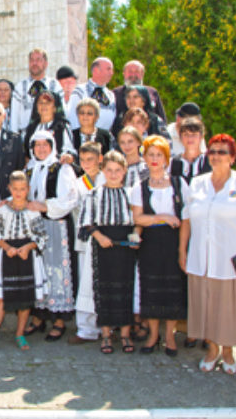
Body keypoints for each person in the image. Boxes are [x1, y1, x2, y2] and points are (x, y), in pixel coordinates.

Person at [179, 133, 236, 374]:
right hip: (202, 257)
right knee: (206, 306)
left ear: (233, 157)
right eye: (213, 152)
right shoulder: (197, 183)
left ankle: (227, 351)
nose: (216, 156)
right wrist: (182, 250)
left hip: (233, 258)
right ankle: (212, 348)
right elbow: (186, 219)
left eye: (222, 152)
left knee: (229, 308)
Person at [0, 171, 47, 352]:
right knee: (1, 299)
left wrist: (28, 248)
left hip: (27, 256)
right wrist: (6, 248)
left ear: (28, 189)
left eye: (22, 189)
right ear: (9, 189)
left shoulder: (33, 212)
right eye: (15, 189)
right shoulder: (2, 210)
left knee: (25, 298)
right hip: (7, 254)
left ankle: (20, 334)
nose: (19, 192)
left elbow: (42, 236)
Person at [130, 136, 189, 356]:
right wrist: (162, 217)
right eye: (150, 155)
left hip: (173, 242)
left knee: (172, 290)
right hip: (151, 244)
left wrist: (183, 250)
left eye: (159, 155)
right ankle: (153, 335)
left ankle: (170, 336)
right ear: (144, 158)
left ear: (166, 158)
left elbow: (186, 219)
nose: (154, 159)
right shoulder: (140, 186)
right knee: (151, 290)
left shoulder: (179, 183)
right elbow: (138, 219)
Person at [78, 151, 136, 354]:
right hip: (103, 244)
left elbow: (138, 221)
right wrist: (99, 236)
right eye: (109, 170)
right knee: (104, 289)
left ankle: (126, 334)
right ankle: (105, 334)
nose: (113, 174)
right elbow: (86, 221)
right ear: (103, 171)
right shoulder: (93, 194)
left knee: (126, 289)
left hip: (126, 247)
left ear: (124, 171)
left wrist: (135, 239)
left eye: (118, 170)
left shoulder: (132, 194)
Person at [23, 131, 79, 342]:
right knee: (39, 271)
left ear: (52, 146)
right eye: (36, 145)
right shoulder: (29, 169)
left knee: (57, 272)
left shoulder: (62, 169)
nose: (41, 149)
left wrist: (45, 206)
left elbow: (70, 198)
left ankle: (59, 319)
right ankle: (39, 316)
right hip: (36, 227)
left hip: (57, 226)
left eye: (45, 145)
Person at [69, 142, 105, 346]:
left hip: (105, 237)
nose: (86, 163)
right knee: (86, 282)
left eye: (90, 159)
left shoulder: (108, 178)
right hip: (84, 238)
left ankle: (106, 325)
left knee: (103, 281)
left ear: (100, 159)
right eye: (82, 160)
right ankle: (86, 328)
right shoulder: (78, 182)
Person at [11, 48, 63, 132]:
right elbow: (14, 116)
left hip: (51, 135)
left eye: (38, 60)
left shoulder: (54, 85)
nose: (34, 63)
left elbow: (61, 113)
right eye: (31, 60)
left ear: (46, 64)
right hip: (26, 137)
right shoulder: (20, 87)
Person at [22, 90, 76, 165]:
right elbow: (27, 153)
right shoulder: (31, 128)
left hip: (57, 168)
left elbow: (69, 150)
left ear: (55, 107)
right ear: (36, 107)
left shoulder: (62, 126)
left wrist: (67, 157)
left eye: (48, 103)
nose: (44, 105)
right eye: (41, 103)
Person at [69, 57, 116, 131]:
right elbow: (73, 117)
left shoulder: (110, 95)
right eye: (108, 69)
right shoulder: (80, 91)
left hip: (104, 138)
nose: (111, 73)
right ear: (96, 70)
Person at [169, 117, 211, 184]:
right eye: (186, 134)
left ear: (201, 137)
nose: (190, 138)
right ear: (180, 137)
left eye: (194, 134)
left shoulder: (211, 161)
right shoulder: (172, 163)